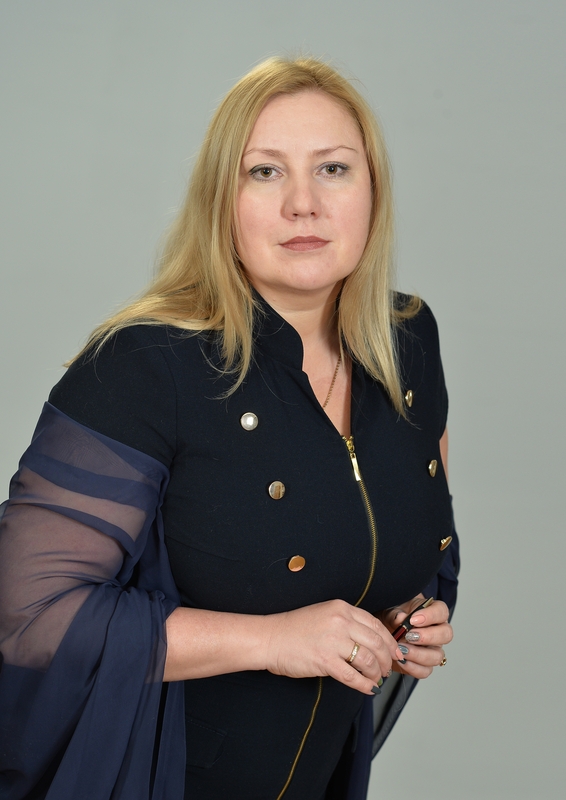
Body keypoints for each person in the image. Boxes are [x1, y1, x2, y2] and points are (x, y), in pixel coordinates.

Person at [0, 57, 459, 800]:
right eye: (265, 172)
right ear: (222, 199)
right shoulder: (143, 365)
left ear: (372, 190)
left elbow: (415, 532)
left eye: (334, 169)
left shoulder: (406, 340)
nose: (304, 204)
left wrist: (407, 615)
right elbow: (28, 617)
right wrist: (271, 640)